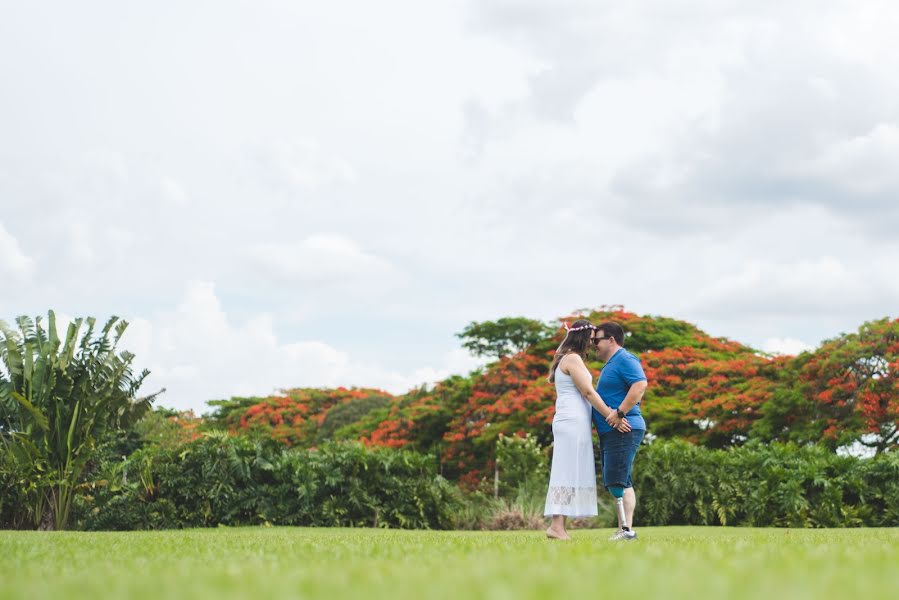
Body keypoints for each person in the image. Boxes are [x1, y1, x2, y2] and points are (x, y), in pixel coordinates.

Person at [544, 320, 631, 540]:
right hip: (571, 421)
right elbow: (588, 393)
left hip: (575, 421)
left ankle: (560, 526)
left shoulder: (570, 358)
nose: (594, 343)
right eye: (592, 338)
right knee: (566, 469)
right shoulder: (572, 358)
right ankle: (556, 526)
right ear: (583, 337)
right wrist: (613, 416)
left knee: (572, 469)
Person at [591, 321, 648, 541]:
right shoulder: (612, 363)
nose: (594, 344)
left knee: (617, 480)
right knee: (623, 480)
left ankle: (625, 531)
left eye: (597, 340)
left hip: (623, 428)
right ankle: (624, 529)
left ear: (611, 340)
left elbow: (640, 384)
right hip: (612, 431)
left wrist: (619, 413)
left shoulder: (625, 358)